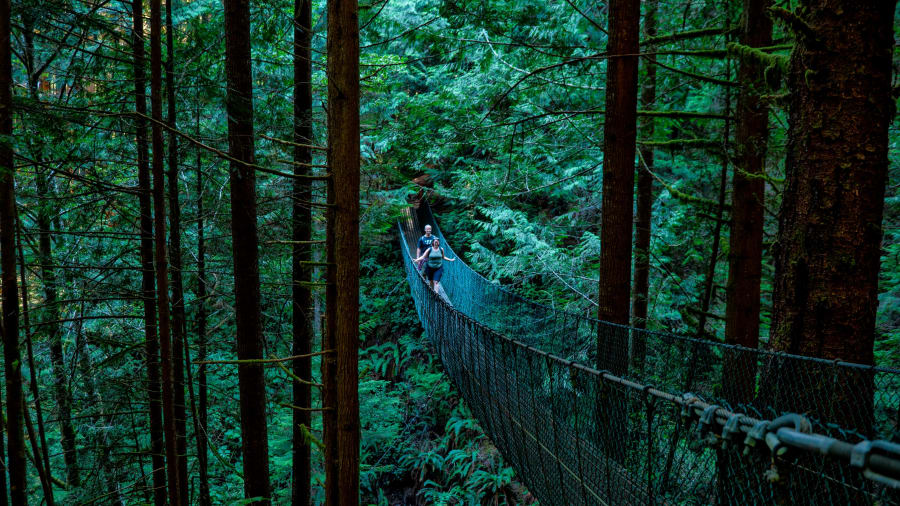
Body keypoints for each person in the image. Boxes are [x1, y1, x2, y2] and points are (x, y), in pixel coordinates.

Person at [412, 237, 455, 304]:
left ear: (438, 243)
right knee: (431, 281)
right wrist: (416, 260)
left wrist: (450, 259)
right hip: (430, 268)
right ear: (433, 243)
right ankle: (432, 292)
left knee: (436, 282)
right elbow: (423, 257)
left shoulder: (441, 249)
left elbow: (443, 257)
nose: (436, 242)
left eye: (437, 241)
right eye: (435, 241)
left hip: (438, 268)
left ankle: (436, 296)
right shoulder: (429, 249)